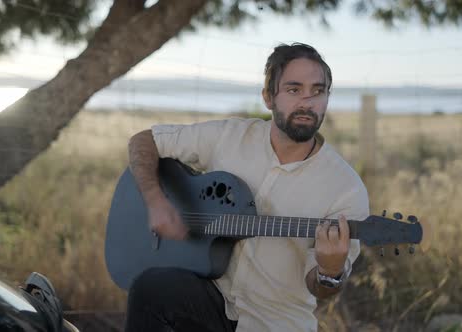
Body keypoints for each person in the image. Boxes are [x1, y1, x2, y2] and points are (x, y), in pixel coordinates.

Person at [124, 42, 369, 332]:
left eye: (318, 91)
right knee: (151, 289)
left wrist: (330, 271)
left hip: (276, 321)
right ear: (268, 97)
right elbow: (144, 140)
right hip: (209, 296)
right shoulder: (231, 136)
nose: (307, 102)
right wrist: (155, 201)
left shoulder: (346, 188)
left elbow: (322, 288)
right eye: (293, 89)